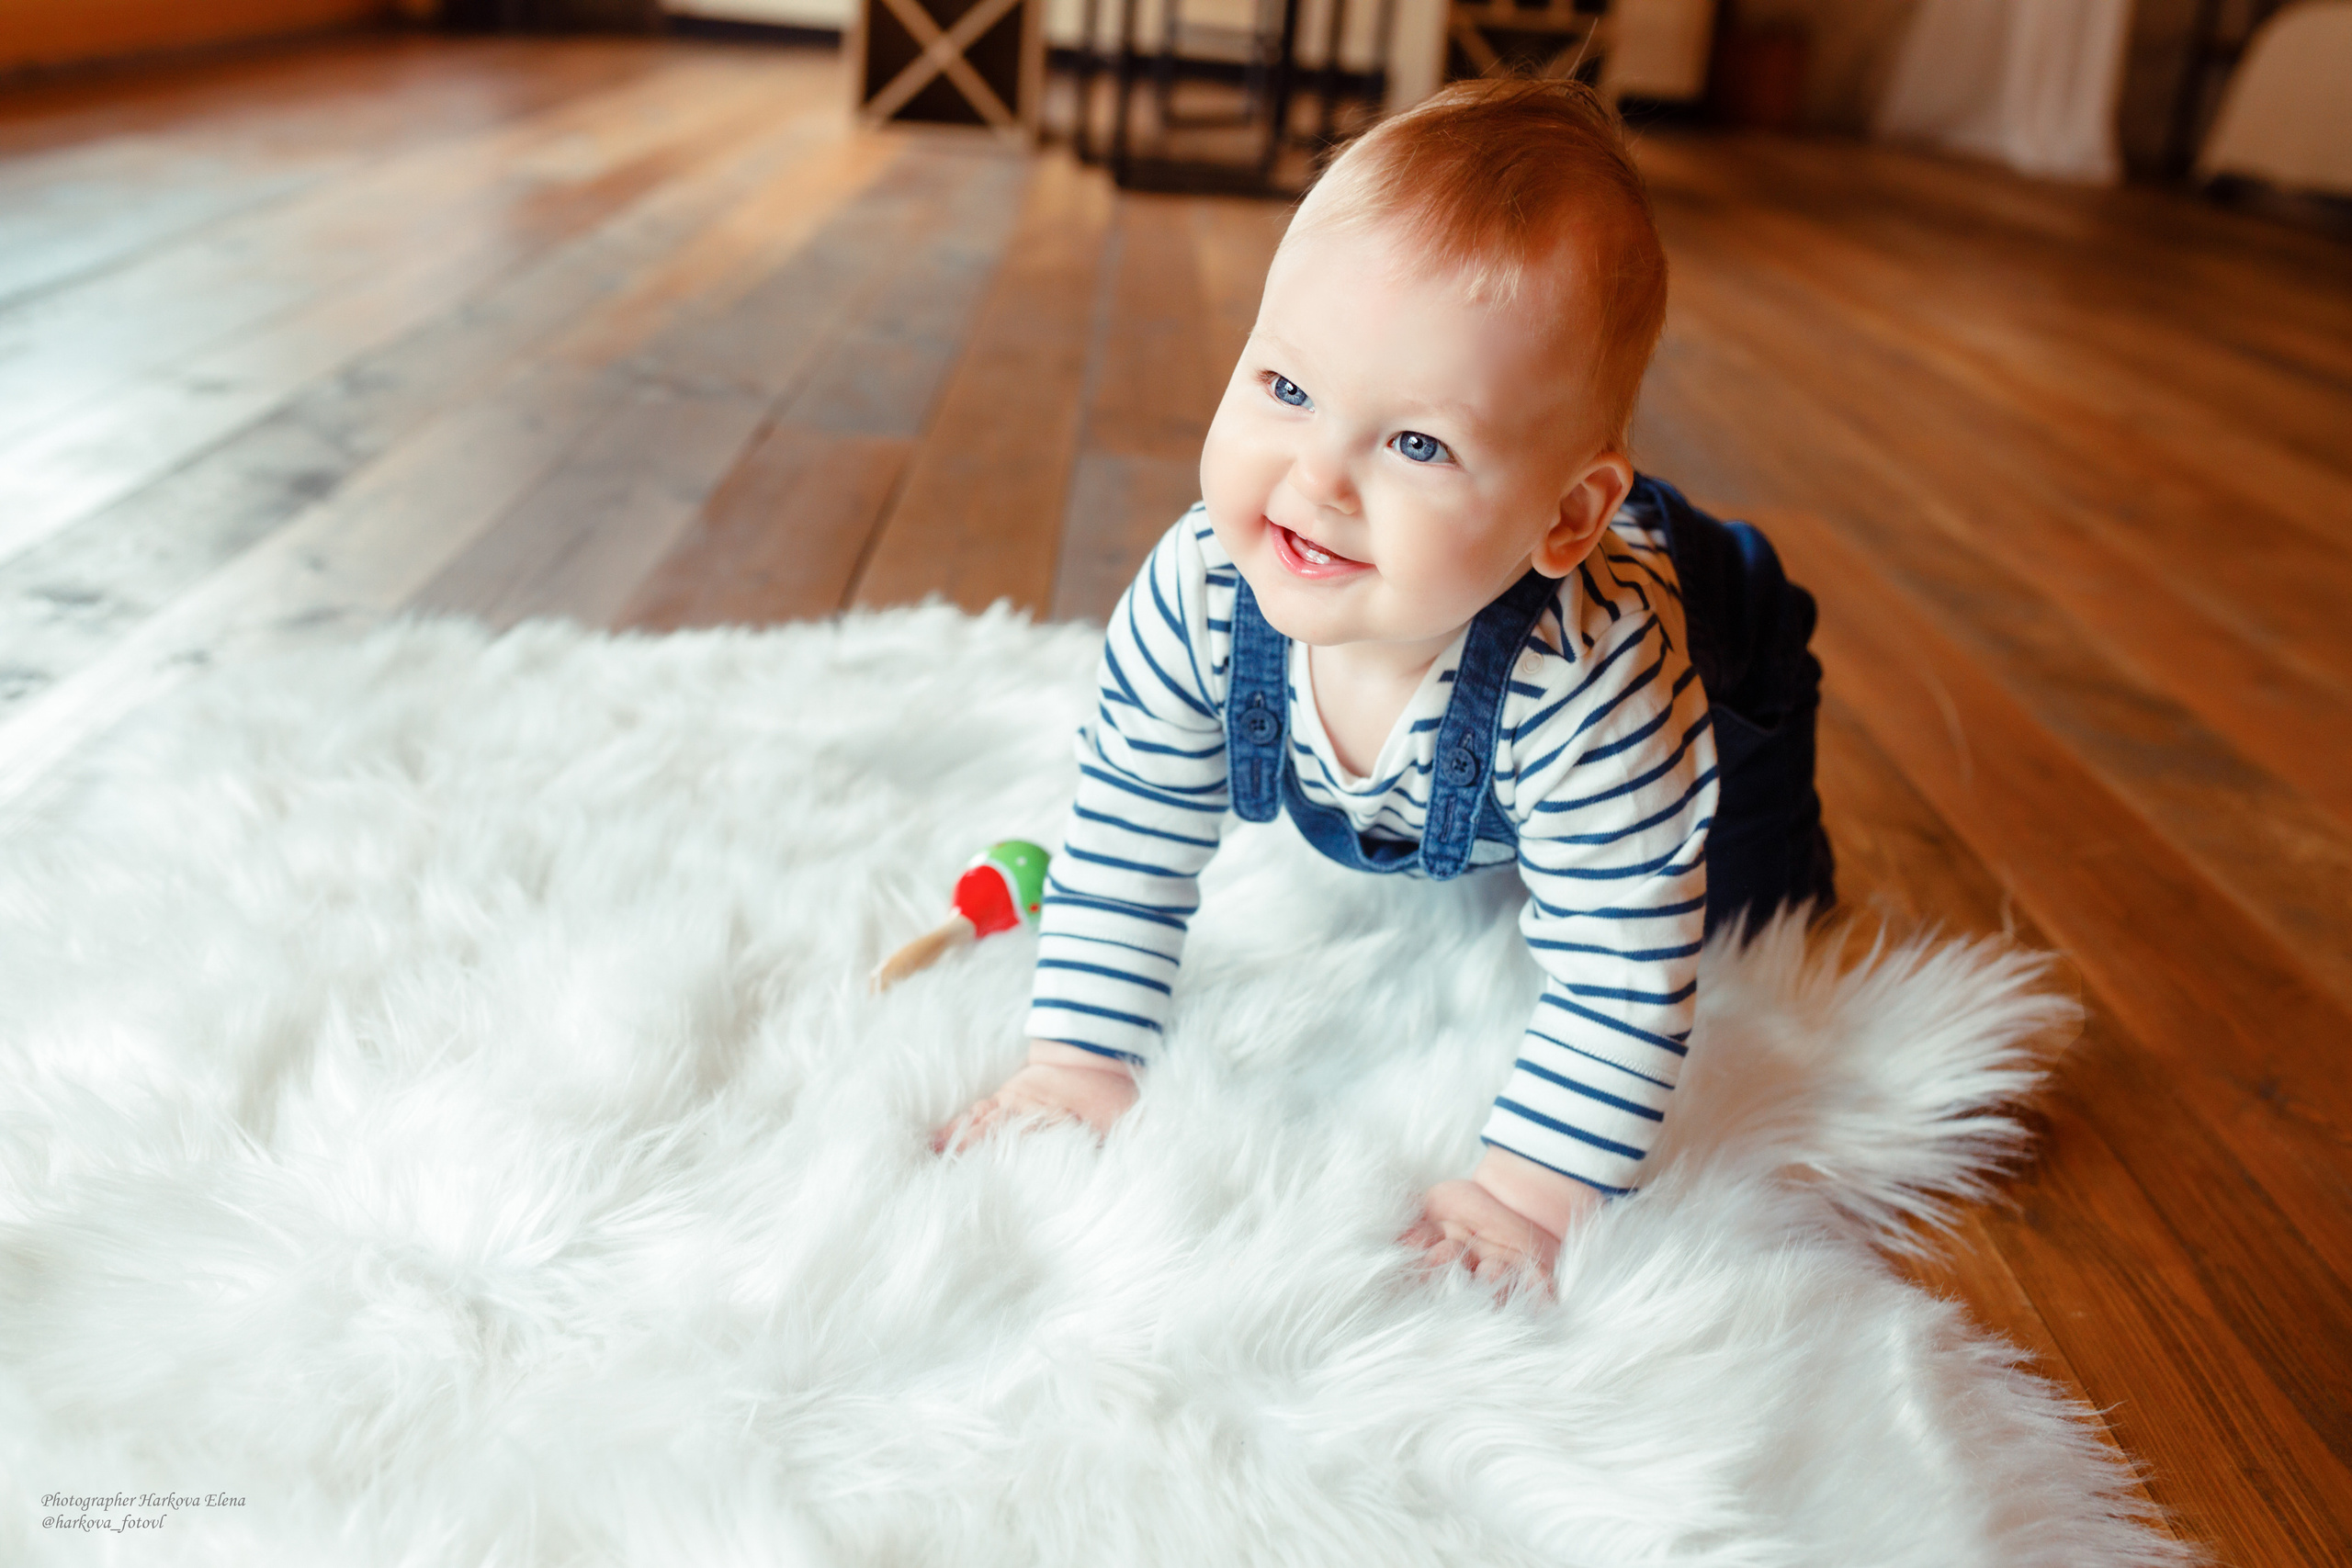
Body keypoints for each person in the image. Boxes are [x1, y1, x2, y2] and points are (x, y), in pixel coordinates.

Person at [934, 75, 1834, 1286]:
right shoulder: (1199, 592)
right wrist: (1080, 1064)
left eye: (1416, 444)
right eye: (1287, 388)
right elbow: (1127, 837)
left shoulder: (1598, 690)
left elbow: (1621, 976)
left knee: (1737, 928)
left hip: (1727, 659)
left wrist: (1525, 1197)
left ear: (1567, 515)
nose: (1317, 478)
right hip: (1484, 685)